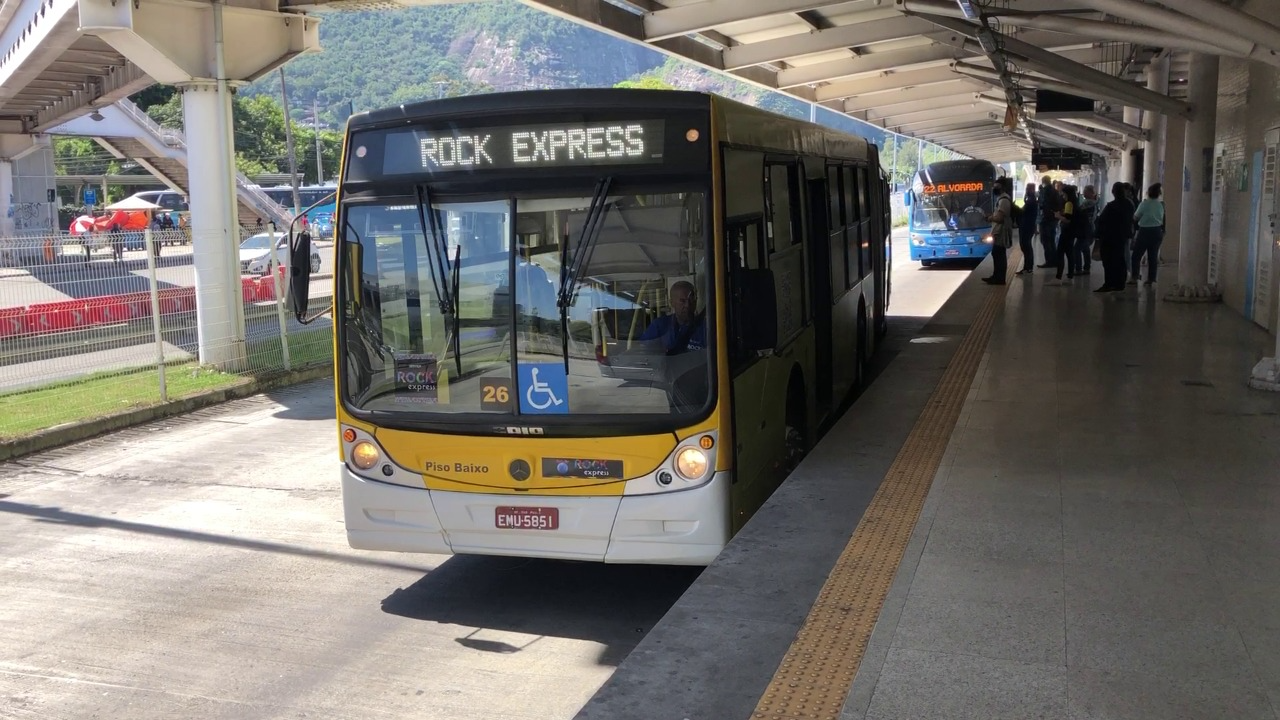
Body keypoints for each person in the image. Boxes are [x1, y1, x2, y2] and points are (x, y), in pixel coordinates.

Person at [640, 280, 706, 353]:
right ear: (672, 303)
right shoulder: (659, 326)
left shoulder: (706, 328)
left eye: (691, 300)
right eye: (682, 301)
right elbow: (643, 351)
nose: (687, 305)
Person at [1094, 182, 1135, 292]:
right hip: (1122, 236)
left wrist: (1097, 234)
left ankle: (1109, 283)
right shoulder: (1129, 205)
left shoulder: (1111, 206)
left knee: (1108, 261)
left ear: (1113, 192)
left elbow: (1101, 220)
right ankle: (1120, 283)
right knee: (1120, 260)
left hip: (1109, 237)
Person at [1131, 183, 1165, 286]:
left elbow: (1135, 217)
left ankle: (1135, 277)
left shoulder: (1144, 204)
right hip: (1157, 231)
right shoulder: (1161, 205)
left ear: (1148, 193)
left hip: (1145, 231)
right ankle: (1151, 279)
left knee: (1136, 255)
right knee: (1153, 256)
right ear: (1159, 194)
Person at [984, 178, 1013, 284]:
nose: (995, 189)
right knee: (996, 254)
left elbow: (1000, 218)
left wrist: (990, 218)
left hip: (1001, 232)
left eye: (997, 187)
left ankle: (1000, 278)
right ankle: (996, 276)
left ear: (1002, 187)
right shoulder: (1001, 199)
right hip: (998, 231)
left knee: (998, 254)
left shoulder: (1004, 200)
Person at [1037, 175, 1060, 268]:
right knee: (1052, 240)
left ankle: (1049, 261)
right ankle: (1054, 260)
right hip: (1053, 219)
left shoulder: (1045, 191)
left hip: (1046, 219)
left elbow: (1043, 204)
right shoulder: (1055, 191)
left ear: (1043, 181)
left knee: (1046, 241)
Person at [1017, 182, 1039, 274]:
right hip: (1028, 225)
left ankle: (1028, 267)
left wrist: (1016, 208)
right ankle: (1027, 267)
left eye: (1028, 188)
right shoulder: (1030, 199)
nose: (1026, 190)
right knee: (1026, 246)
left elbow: (1023, 211)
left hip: (1027, 225)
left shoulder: (1031, 200)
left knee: (1026, 246)